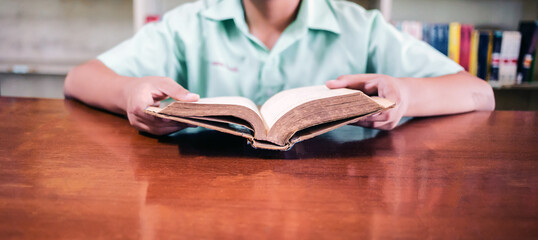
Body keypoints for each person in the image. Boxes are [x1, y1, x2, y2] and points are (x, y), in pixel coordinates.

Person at [64, 0, 495, 135]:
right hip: (206, 198)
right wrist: (129, 96)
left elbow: (480, 92)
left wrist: (406, 96)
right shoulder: (187, 24)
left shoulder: (360, 26)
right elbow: (78, 78)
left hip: (336, 197)